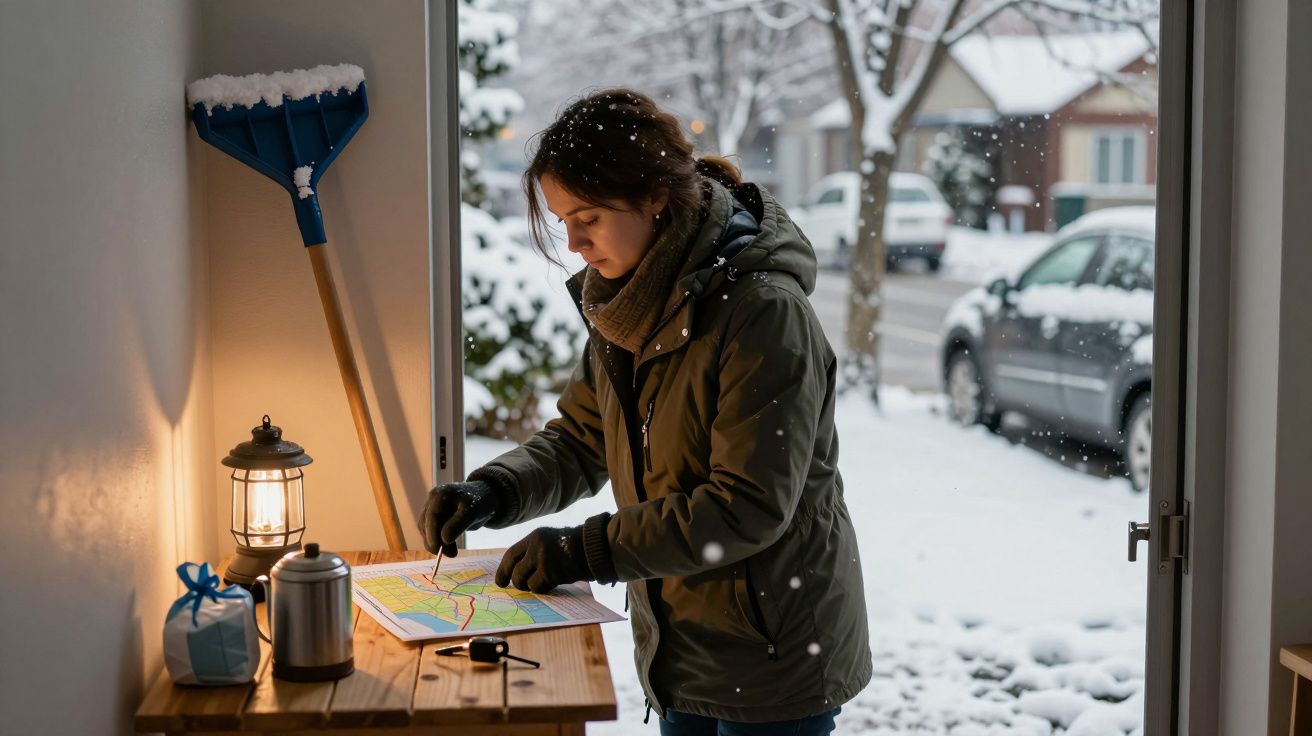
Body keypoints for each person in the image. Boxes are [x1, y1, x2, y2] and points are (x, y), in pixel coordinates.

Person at [421, 88, 871, 735]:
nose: (574, 242)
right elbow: (583, 438)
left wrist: (585, 550)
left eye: (589, 217)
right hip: (682, 641)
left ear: (656, 197)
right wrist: (494, 490)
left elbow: (746, 505)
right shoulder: (628, 304)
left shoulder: (762, 313)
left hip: (774, 647)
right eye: (561, 220)